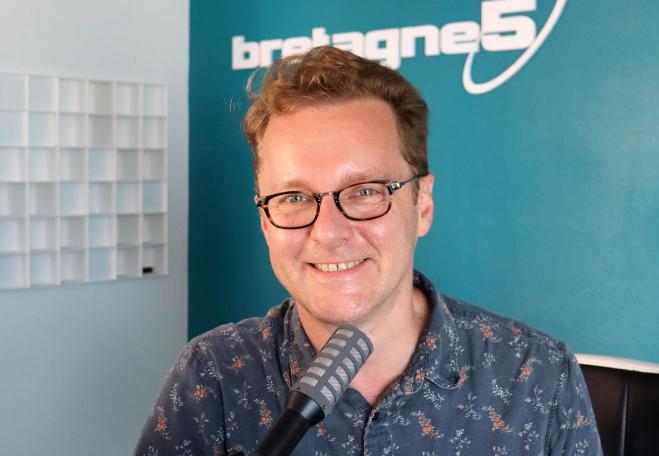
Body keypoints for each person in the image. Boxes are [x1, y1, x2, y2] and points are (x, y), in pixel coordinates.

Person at [136, 46, 602, 455]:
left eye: (364, 191)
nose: (328, 232)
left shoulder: (537, 375)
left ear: (423, 205)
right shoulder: (214, 377)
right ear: (264, 220)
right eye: (294, 197)